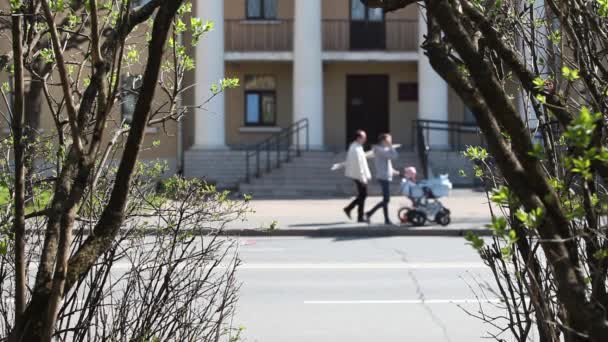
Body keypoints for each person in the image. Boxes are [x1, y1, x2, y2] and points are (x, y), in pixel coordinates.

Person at [335, 130, 372, 222]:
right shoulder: (355, 148)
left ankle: (352, 211)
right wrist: (363, 178)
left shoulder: (357, 147)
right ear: (358, 138)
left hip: (358, 175)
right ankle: (355, 213)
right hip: (358, 175)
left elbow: (361, 158)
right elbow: (358, 164)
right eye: (364, 137)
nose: (365, 139)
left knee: (362, 195)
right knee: (363, 195)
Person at [366, 133, 400, 225]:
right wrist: (391, 146)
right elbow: (394, 156)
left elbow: (386, 163)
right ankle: (371, 214)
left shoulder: (383, 150)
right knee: (386, 199)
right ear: (384, 141)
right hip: (383, 177)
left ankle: (384, 219)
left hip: (385, 176)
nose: (391, 141)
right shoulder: (380, 150)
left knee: (385, 199)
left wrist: (393, 171)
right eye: (389, 140)